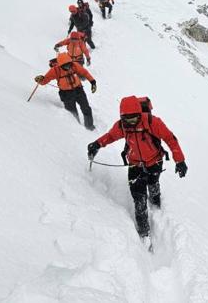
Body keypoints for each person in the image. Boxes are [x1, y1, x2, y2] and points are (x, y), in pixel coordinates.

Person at [87, 96, 187, 242]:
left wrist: (180, 161)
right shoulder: (122, 126)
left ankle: (155, 201)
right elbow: (110, 136)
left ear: (140, 114)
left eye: (134, 119)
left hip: (154, 161)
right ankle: (144, 233)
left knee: (153, 183)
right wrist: (97, 144)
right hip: (135, 164)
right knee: (139, 200)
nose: (130, 123)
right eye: (127, 119)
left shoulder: (153, 122)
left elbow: (170, 139)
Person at [34, 53, 97, 129]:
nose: (68, 67)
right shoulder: (55, 70)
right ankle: (76, 129)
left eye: (69, 64)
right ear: (60, 65)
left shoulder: (74, 65)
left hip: (78, 89)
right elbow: (44, 81)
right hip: (66, 94)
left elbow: (85, 72)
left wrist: (93, 82)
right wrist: (40, 80)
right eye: (65, 66)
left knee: (86, 108)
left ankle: (89, 126)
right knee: (72, 113)